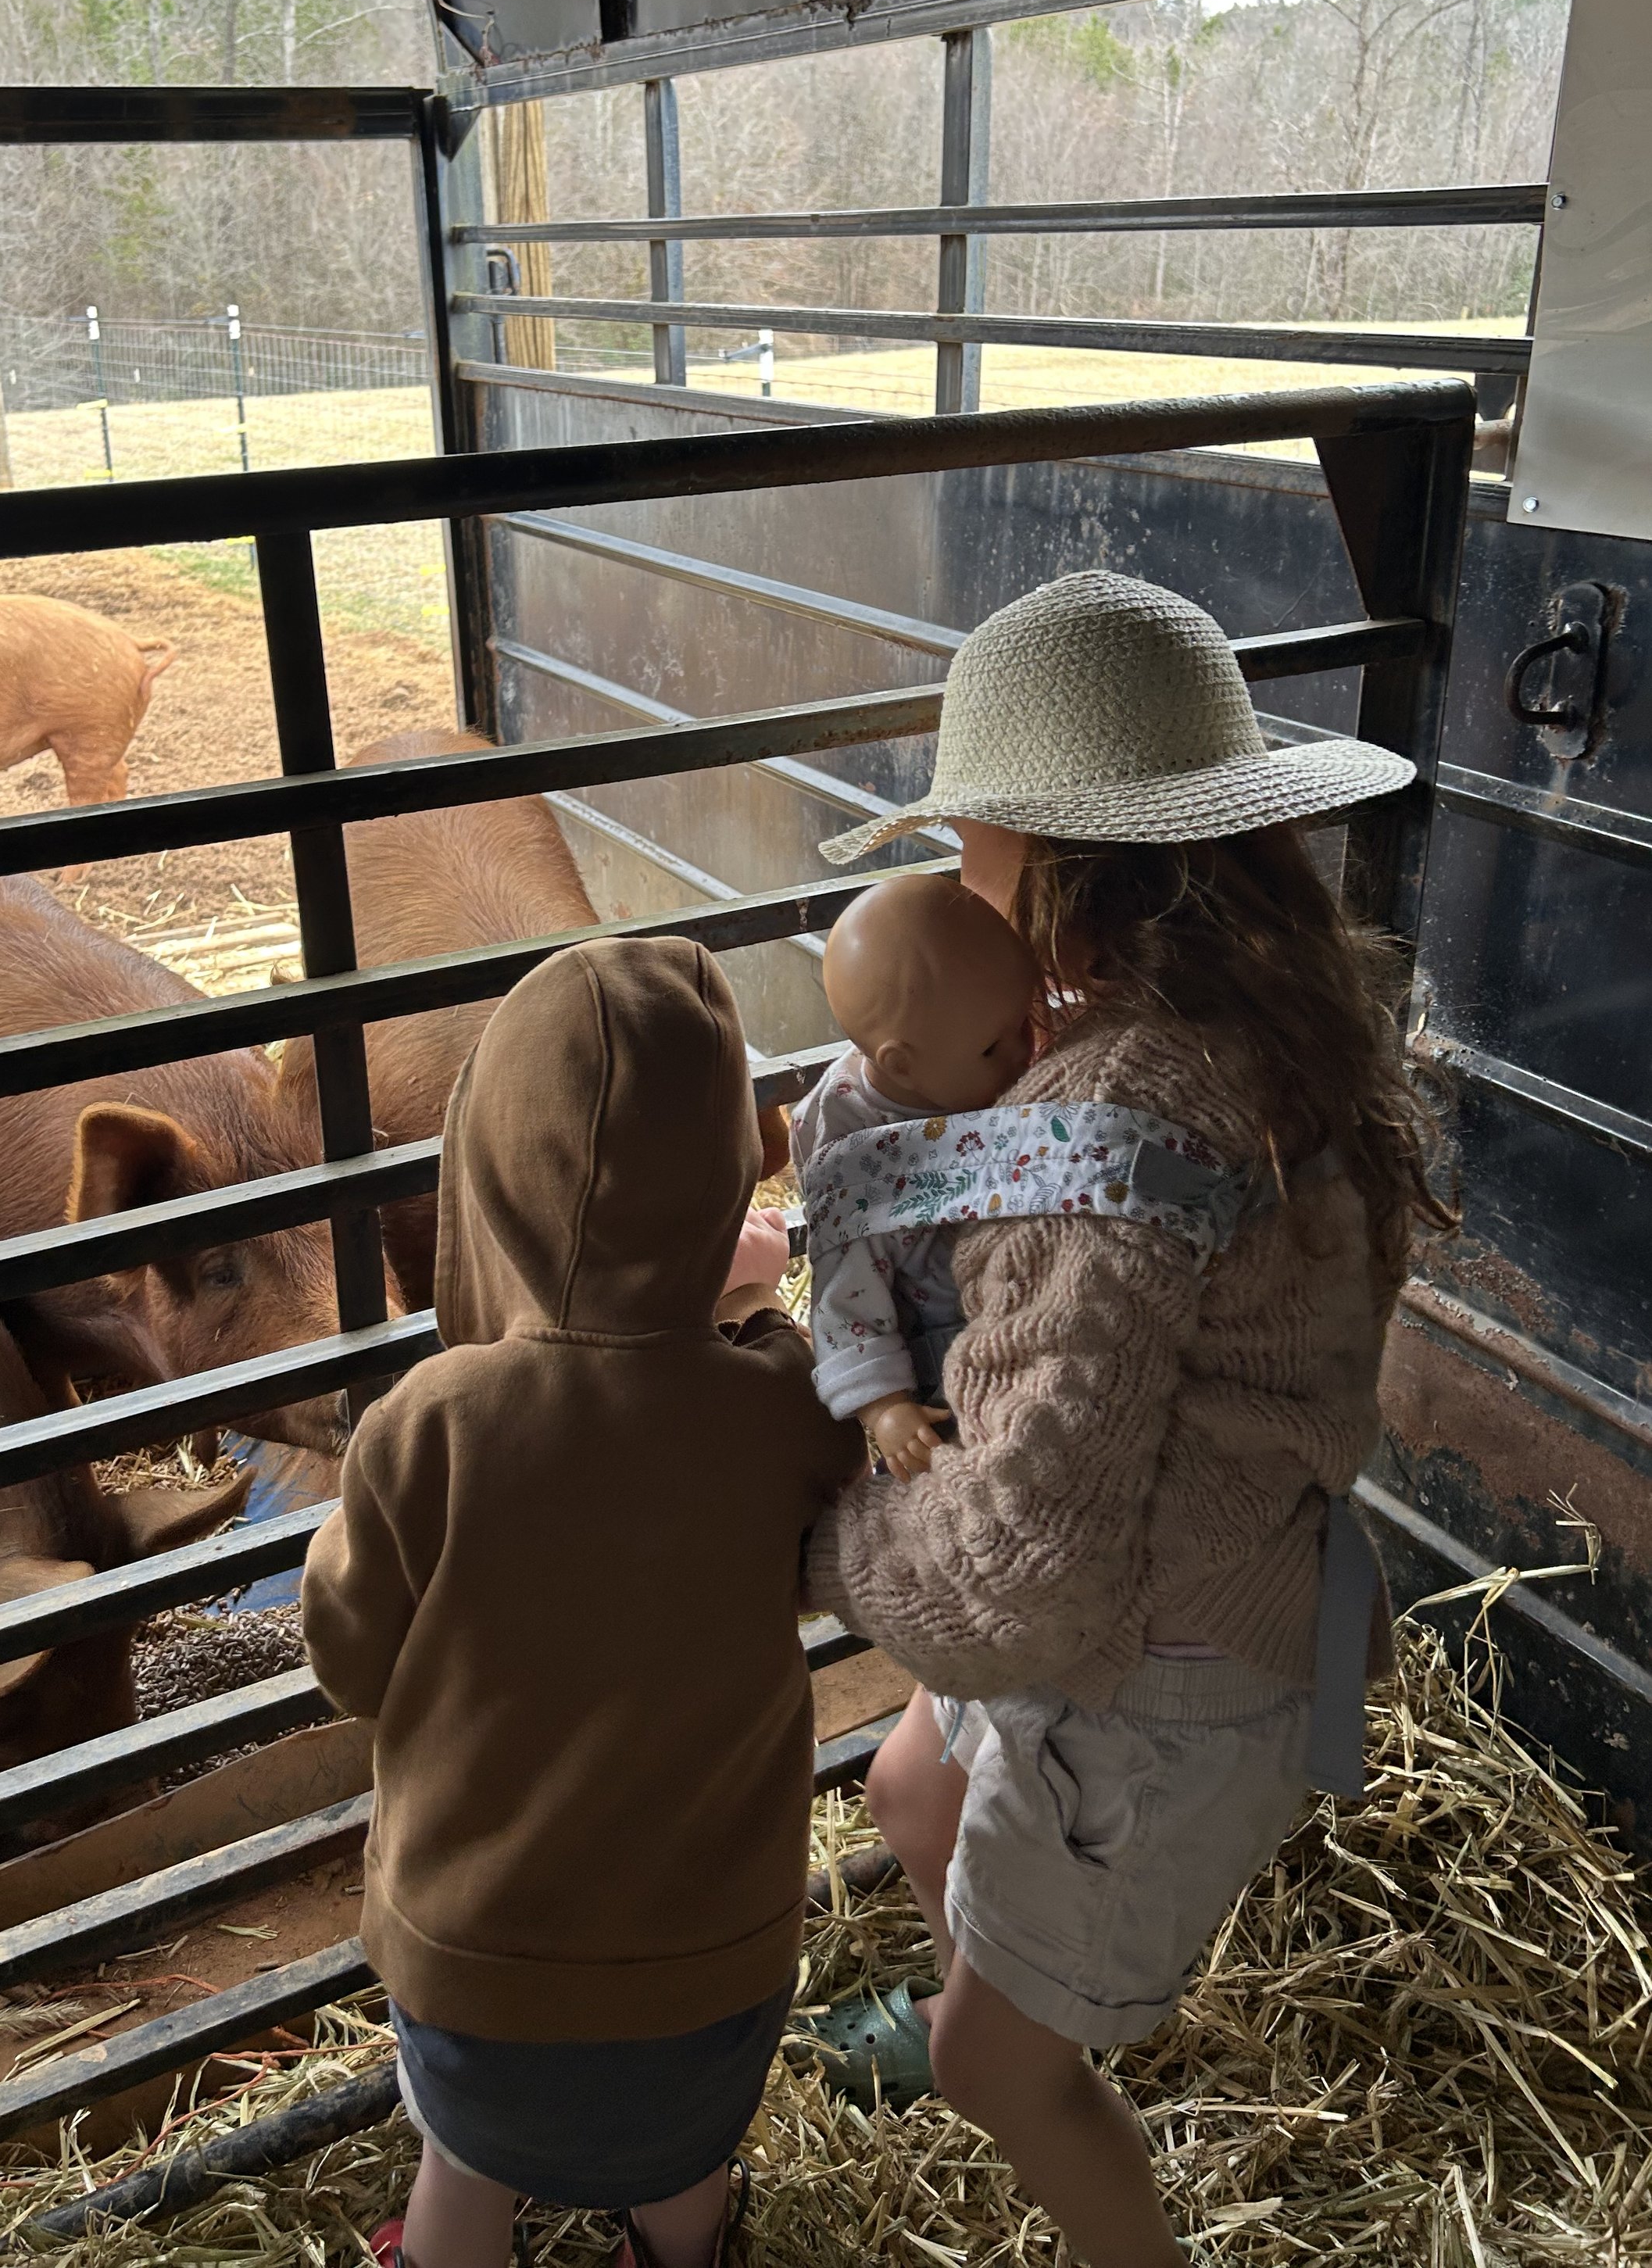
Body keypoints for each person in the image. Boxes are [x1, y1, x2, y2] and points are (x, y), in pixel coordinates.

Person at [803, 571, 1450, 2268]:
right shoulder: (1278, 1028)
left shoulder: (1112, 1097)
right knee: (908, 1782)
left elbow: (1017, 1569)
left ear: (1057, 869)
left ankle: (1042, 2107)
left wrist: (827, 1526)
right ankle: (992, 1953)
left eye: (973, 854)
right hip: (1206, 1573)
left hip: (1153, 1664)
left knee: (994, 2061)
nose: (953, 886)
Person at [301, 935, 864, 2268]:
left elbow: (348, 1656)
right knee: (683, 2169)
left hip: (474, 1965)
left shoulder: (432, 1420)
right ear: (736, 1171)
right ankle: (679, 2244)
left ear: (489, 1167)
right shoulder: (780, 1405)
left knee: (465, 2161)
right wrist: (745, 1309)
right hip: (712, 1967)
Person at [791, 871, 1040, 1478]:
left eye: (1025, 1022)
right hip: (942, 1359)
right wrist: (884, 1409)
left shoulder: (961, 1053)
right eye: (992, 1049)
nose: (1023, 1053)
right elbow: (843, 1296)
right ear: (902, 1063)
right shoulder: (855, 1159)